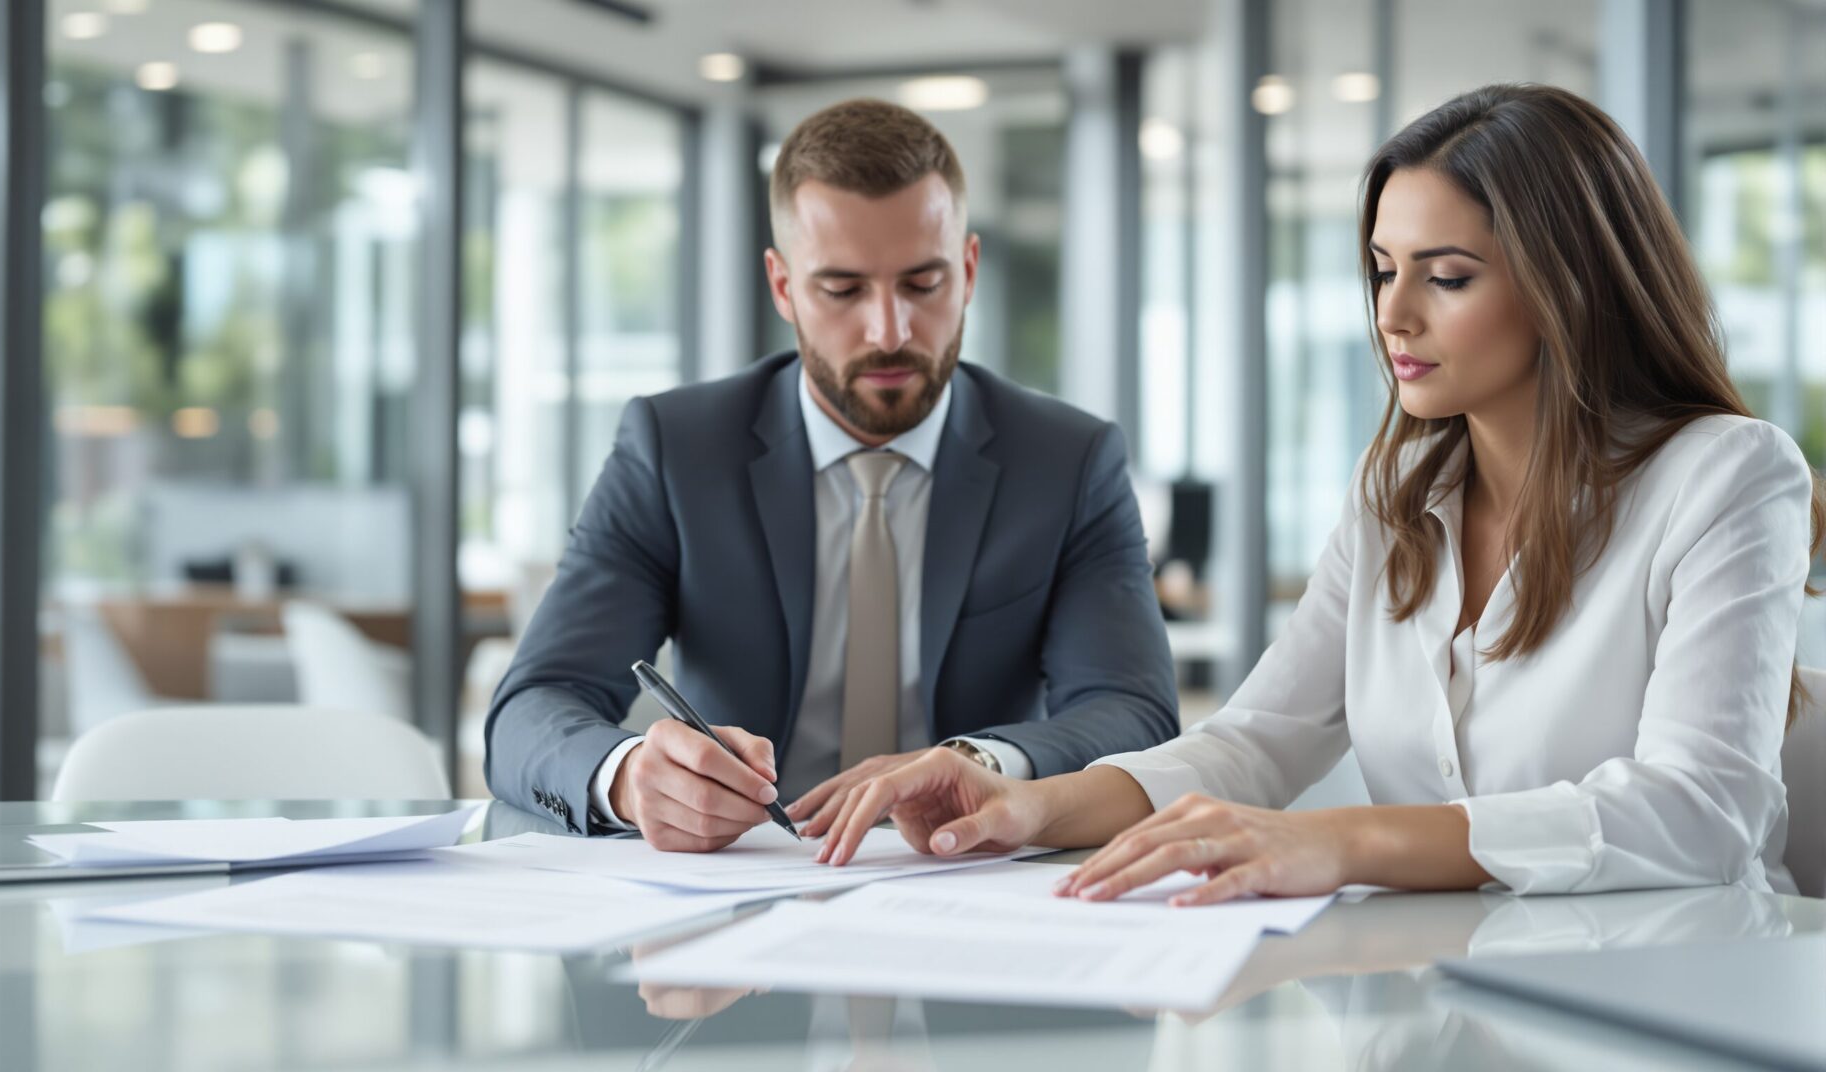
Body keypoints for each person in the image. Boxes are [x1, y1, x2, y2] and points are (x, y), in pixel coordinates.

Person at [816, 83, 1824, 902]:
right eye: (1383, 270)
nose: (1394, 313)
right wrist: (1024, 802)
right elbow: (1259, 741)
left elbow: (1702, 810)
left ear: (1573, 284)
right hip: (1428, 992)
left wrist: (1346, 840)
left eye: (1449, 276)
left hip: (1677, 990)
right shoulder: (1395, 492)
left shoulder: (1729, 474)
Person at [484, 99, 1177, 849]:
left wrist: (978, 763)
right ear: (783, 287)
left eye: (923, 284)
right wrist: (627, 775)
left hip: (967, 879)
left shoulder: (1067, 462)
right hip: (743, 886)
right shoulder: (675, 450)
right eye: (842, 290)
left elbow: (1131, 711)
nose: (889, 331)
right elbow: (534, 705)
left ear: (969, 270)